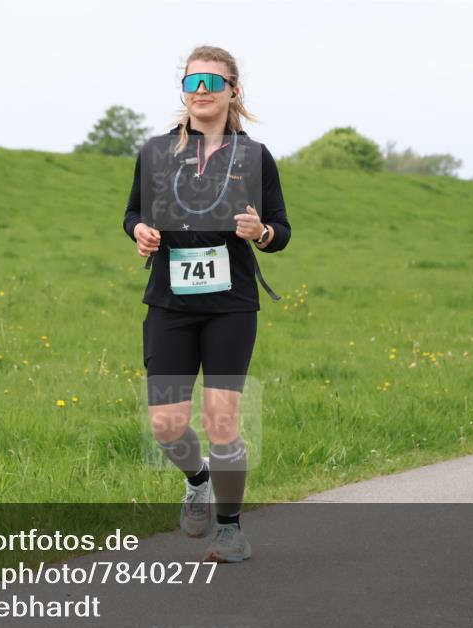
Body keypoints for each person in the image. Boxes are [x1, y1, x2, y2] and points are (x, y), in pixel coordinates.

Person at [122, 45, 291, 562]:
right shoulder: (155, 152)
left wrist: (260, 231)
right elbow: (131, 214)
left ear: (233, 92)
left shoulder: (255, 156)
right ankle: (197, 481)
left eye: (212, 83)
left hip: (231, 305)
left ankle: (231, 529)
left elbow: (281, 230)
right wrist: (141, 232)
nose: (201, 91)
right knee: (166, 425)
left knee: (222, 421)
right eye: (192, 82)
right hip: (170, 303)